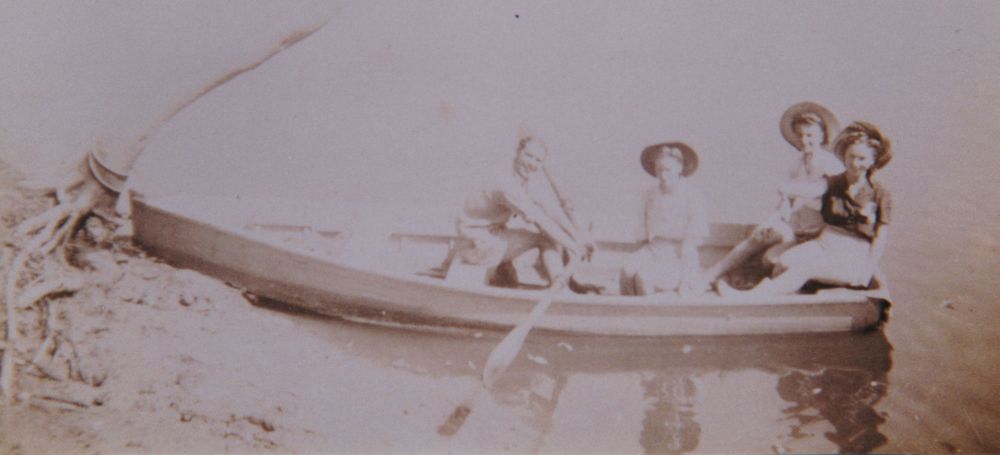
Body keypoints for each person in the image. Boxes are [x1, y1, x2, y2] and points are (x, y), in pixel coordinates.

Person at [718, 121, 893, 296]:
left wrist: (867, 271)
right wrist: (784, 188)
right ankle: (782, 299)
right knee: (784, 262)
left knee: (804, 269)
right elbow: (811, 189)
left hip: (854, 254)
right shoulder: (833, 182)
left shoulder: (880, 193)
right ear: (845, 157)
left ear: (872, 161)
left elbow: (880, 237)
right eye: (850, 157)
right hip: (825, 243)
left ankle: (751, 297)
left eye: (861, 159)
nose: (854, 164)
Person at [701, 102, 844, 288]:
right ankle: (713, 274)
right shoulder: (797, 163)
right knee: (759, 237)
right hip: (795, 227)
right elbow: (784, 201)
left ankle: (752, 282)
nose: (804, 140)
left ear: (822, 135)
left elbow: (820, 191)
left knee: (773, 259)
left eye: (810, 135)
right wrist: (771, 221)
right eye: (800, 135)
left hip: (819, 234)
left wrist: (788, 188)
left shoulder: (830, 165)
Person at [445, 135, 595, 288]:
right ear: (517, 153)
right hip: (476, 244)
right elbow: (542, 222)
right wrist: (574, 247)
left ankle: (555, 283)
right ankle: (561, 291)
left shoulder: (520, 176)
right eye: (528, 156)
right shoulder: (505, 183)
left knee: (554, 237)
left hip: (483, 237)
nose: (532, 164)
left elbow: (551, 209)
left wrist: (579, 238)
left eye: (538, 160)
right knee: (546, 240)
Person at [620, 142, 708, 296]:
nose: (663, 175)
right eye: (659, 169)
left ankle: (648, 315)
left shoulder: (692, 196)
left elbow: (691, 242)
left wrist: (685, 281)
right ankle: (628, 314)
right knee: (626, 271)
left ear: (679, 169)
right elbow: (641, 235)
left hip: (678, 256)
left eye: (667, 170)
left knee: (644, 278)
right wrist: (636, 258)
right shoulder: (649, 195)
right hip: (652, 250)